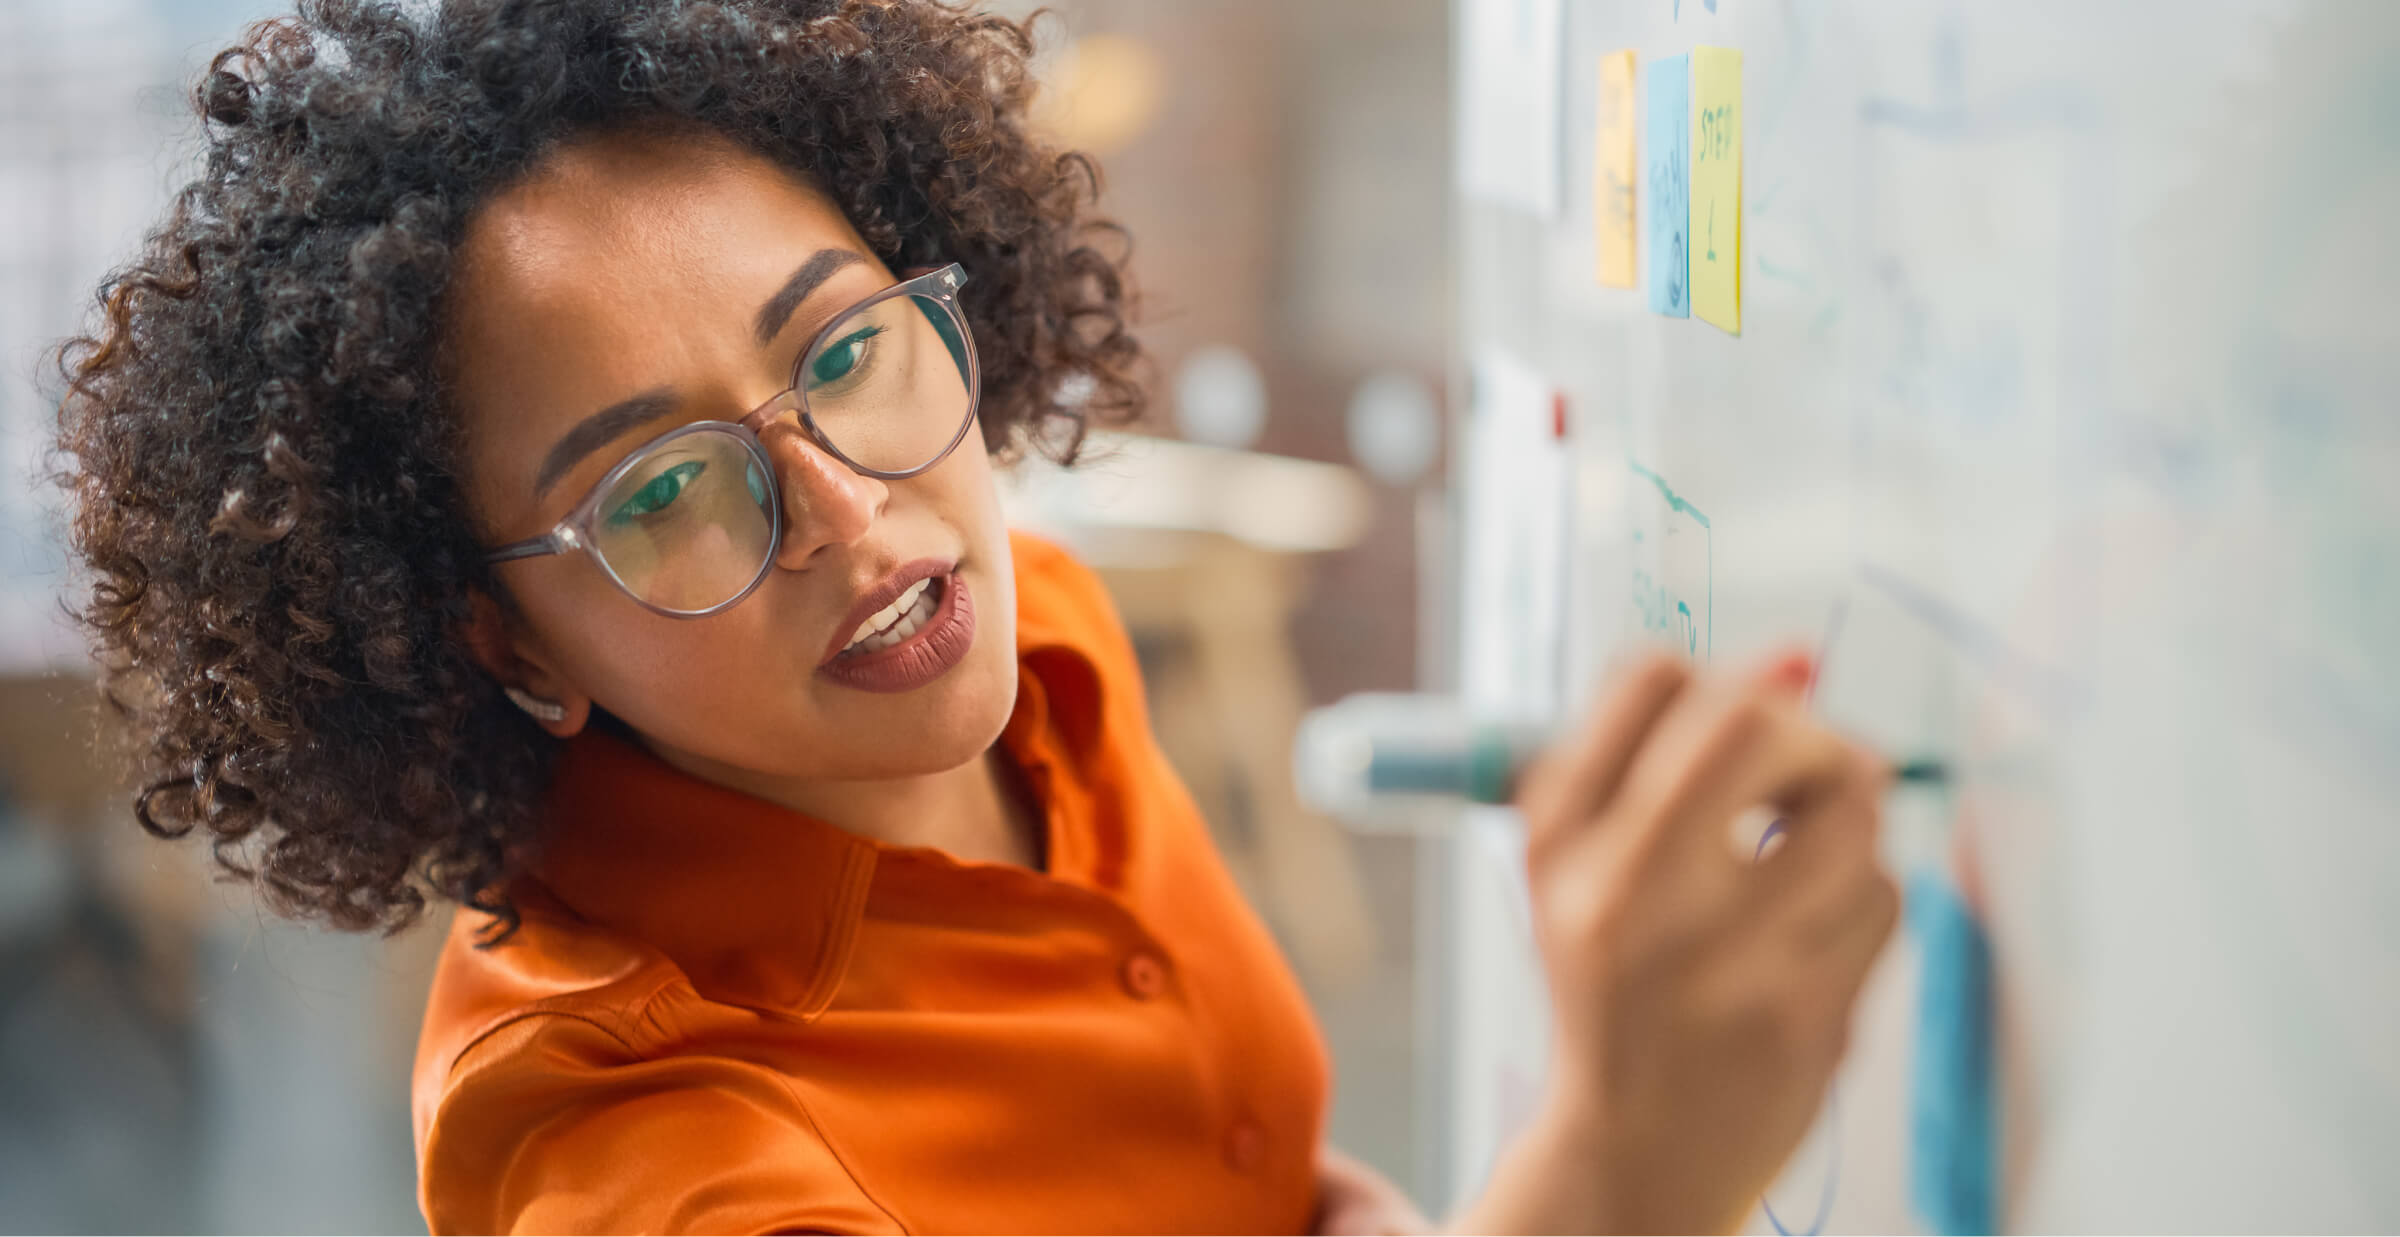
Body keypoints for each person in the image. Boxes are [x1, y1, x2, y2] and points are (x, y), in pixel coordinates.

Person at [52, 0, 1898, 1232]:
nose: (859, 519)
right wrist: (1617, 1178)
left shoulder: (1037, 653)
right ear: (502, 640)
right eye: (664, 490)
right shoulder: (666, 1168)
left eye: (844, 350)